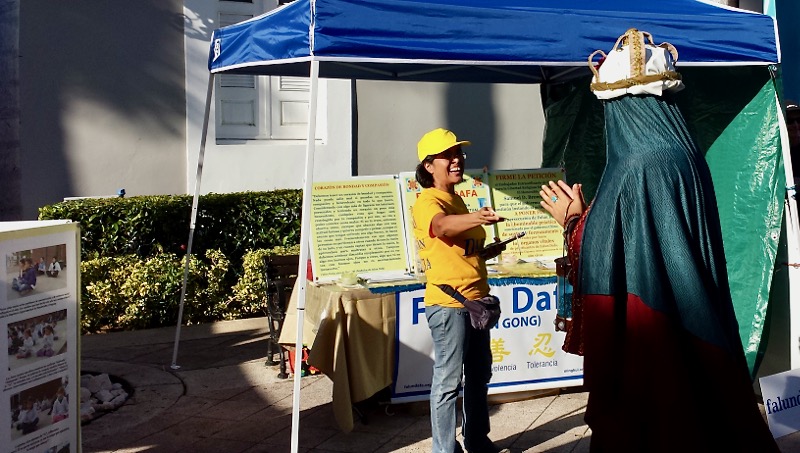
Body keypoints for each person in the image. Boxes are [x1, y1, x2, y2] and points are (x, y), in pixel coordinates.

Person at [539, 31, 779, 453]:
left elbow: (609, 258)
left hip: (653, 339)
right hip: (693, 324)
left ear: (621, 105)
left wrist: (575, 221)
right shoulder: (685, 156)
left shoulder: (637, 164)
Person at [411, 128, 508, 453]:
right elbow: (440, 227)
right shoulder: (428, 200)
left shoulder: (456, 198)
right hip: (449, 304)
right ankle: (443, 450)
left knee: (479, 377)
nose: (457, 160)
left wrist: (487, 249)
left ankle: (478, 441)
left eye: (459, 153)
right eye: (448, 155)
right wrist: (477, 216)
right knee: (448, 383)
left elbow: (460, 248)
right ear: (429, 166)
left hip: (476, 301)